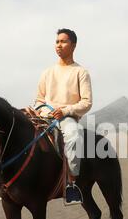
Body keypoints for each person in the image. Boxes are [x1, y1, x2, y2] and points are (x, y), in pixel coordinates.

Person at [34, 28, 92, 205]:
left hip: (67, 118)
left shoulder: (81, 72)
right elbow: (38, 100)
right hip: (46, 115)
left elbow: (86, 102)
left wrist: (65, 111)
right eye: (57, 41)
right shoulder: (47, 72)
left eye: (63, 41)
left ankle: (72, 184)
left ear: (73, 46)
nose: (59, 45)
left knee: (74, 137)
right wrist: (44, 111)